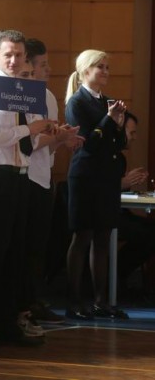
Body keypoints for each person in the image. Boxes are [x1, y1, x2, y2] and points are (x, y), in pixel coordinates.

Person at [0, 30, 53, 352]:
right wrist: (28, 129)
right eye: (9, 55)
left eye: (19, 55)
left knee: (15, 258)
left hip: (21, 176)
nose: (15, 61)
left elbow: (30, 138)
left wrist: (45, 131)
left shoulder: (27, 91)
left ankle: (7, 326)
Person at [65, 49, 128, 320]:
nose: (105, 71)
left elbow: (119, 143)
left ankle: (101, 301)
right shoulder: (76, 102)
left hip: (106, 177)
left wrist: (120, 124)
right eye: (99, 66)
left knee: (103, 238)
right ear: (85, 70)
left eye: (107, 67)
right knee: (83, 237)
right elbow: (88, 143)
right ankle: (74, 301)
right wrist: (109, 120)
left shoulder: (107, 102)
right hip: (86, 176)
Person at [22, 38, 66, 325]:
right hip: (24, 176)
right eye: (42, 64)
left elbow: (47, 144)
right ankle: (22, 304)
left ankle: (33, 299)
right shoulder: (19, 95)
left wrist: (61, 139)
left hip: (43, 174)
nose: (48, 69)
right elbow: (28, 141)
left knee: (39, 244)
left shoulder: (47, 96)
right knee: (24, 245)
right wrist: (53, 137)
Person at [116, 112, 154, 294]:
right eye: (131, 133)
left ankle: (117, 275)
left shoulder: (120, 158)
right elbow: (97, 189)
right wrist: (123, 182)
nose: (134, 137)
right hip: (104, 215)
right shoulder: (103, 156)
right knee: (148, 235)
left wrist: (130, 182)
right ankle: (115, 276)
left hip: (119, 212)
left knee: (151, 229)